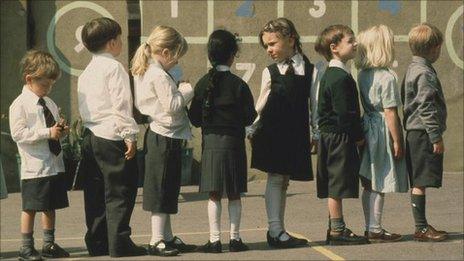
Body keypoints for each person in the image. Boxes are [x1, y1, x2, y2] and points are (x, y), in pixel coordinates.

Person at [248, 18, 320, 248]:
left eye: (272, 44)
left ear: (291, 40)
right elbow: (261, 104)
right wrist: (252, 127)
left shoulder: (310, 70)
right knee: (276, 177)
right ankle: (275, 230)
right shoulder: (269, 72)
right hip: (273, 131)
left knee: (284, 180)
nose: (269, 50)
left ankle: (279, 230)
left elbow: (314, 104)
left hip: (296, 133)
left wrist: (315, 133)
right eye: (266, 46)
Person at [78, 17, 145, 257]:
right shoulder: (114, 67)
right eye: (119, 38)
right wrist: (130, 135)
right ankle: (119, 243)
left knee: (95, 192)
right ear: (111, 42)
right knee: (120, 190)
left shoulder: (87, 71)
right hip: (111, 134)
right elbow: (122, 104)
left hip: (90, 135)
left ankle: (97, 242)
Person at [188, 29, 257, 253]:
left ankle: (214, 240)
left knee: (214, 193)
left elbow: (195, 118)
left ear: (210, 54)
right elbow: (250, 116)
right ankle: (235, 239)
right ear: (232, 55)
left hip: (211, 144)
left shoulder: (202, 83)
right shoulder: (239, 85)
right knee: (235, 192)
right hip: (234, 143)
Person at [132, 25, 196, 256]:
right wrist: (187, 90)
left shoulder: (150, 70)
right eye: (176, 58)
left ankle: (167, 236)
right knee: (160, 189)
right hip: (164, 135)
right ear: (166, 53)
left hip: (164, 135)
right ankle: (156, 239)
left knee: (167, 188)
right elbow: (172, 106)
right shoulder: (157, 74)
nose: (177, 63)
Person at [10, 50, 70, 260]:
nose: (48, 89)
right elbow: (18, 134)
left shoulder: (49, 103)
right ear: (29, 79)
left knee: (50, 205)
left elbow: (53, 129)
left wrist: (60, 131)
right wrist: (47, 132)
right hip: (34, 167)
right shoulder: (20, 105)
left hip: (52, 164)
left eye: (51, 85)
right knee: (31, 207)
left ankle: (49, 243)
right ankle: (26, 246)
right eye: (45, 85)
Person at [314, 24, 368, 245]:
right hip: (338, 137)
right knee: (336, 185)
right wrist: (358, 136)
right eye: (350, 40)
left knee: (333, 183)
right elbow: (346, 113)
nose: (355, 43)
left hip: (329, 136)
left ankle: (333, 226)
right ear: (334, 47)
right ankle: (337, 230)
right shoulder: (339, 78)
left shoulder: (331, 74)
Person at [355, 24, 408, 243]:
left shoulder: (363, 74)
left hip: (366, 125)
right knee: (381, 179)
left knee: (369, 179)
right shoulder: (387, 77)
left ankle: (371, 226)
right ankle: (375, 228)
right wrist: (397, 140)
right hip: (381, 130)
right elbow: (390, 112)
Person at [401, 23, 448, 242]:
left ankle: (422, 225)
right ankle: (421, 228)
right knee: (420, 181)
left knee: (419, 180)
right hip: (422, 133)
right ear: (434, 48)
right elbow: (425, 105)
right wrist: (435, 136)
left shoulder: (412, 68)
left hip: (415, 132)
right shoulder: (424, 72)